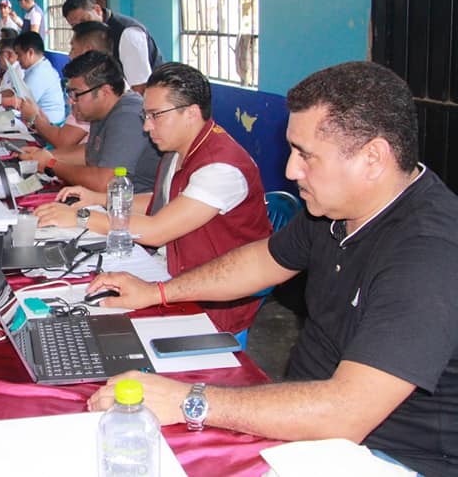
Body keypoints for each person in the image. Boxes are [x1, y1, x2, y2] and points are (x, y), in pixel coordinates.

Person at [86, 61, 458, 476]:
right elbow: (260, 261)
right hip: (305, 422)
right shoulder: (334, 211)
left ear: (373, 158)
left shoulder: (429, 254)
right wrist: (157, 293)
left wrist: (189, 400)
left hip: (385, 456)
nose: (289, 170)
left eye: (306, 156)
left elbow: (346, 413)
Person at [37, 63, 271, 333]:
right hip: (171, 271)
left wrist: (82, 216)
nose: (147, 127)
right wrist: (100, 198)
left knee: (91, 325)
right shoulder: (178, 148)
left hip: (211, 302)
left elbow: (157, 230)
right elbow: (162, 202)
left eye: (156, 115)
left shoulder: (220, 168)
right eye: (145, 116)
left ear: (191, 113)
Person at [23, 51, 159, 193]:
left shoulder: (129, 116)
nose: (71, 101)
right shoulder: (102, 111)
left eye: (76, 94)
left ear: (105, 92)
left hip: (129, 207)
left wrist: (51, 164)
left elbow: (105, 183)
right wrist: (41, 156)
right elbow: (91, 152)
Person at [15, 21, 111, 149]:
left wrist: (34, 117)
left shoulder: (93, 89)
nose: (69, 55)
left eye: (73, 49)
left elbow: (63, 142)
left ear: (88, 51)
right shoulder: (96, 81)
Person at [62, 0, 162, 94]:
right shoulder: (95, 37)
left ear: (97, 10)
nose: (83, 27)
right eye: (75, 25)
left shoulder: (127, 34)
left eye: (84, 20)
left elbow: (140, 88)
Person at [3, 31, 65, 124]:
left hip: (50, 126)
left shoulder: (39, 73)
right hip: (41, 121)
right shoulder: (41, 66)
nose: (18, 59)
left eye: (19, 54)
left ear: (30, 52)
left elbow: (20, 104)